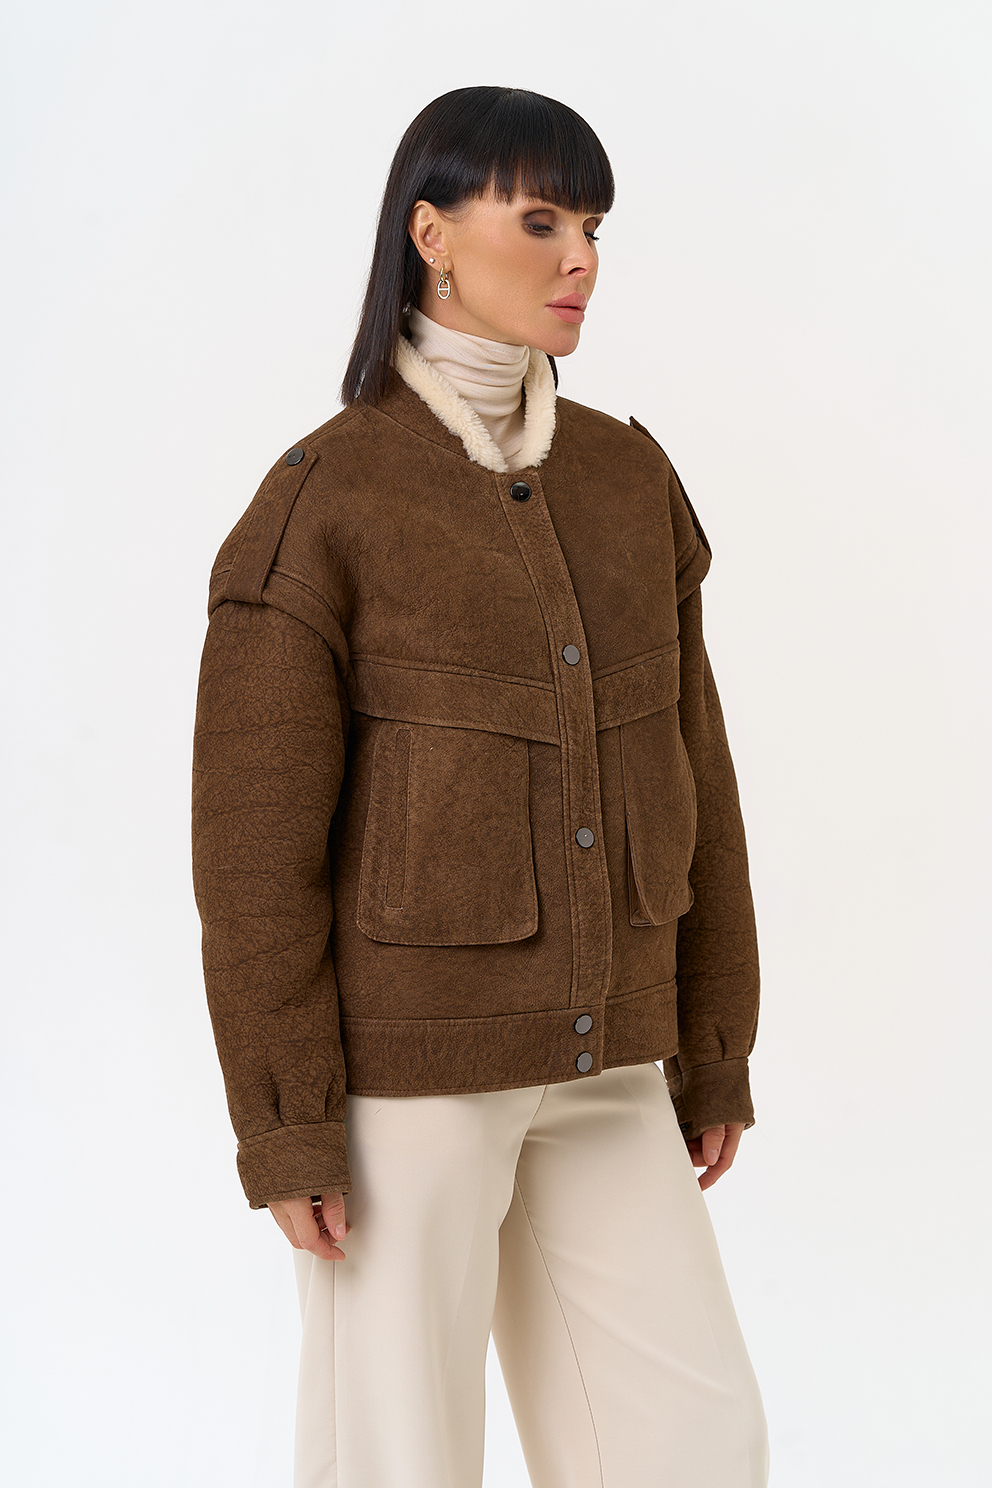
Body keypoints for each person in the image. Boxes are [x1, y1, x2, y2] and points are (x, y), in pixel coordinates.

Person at [191, 85, 770, 1488]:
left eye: (594, 228)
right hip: (409, 1082)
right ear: (432, 235)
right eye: (543, 220)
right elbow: (254, 850)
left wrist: (712, 1042)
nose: (581, 259)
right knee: (399, 1458)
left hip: (609, 1057)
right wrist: (287, 1121)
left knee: (695, 1445)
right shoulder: (326, 498)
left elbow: (695, 765)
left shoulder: (628, 478)